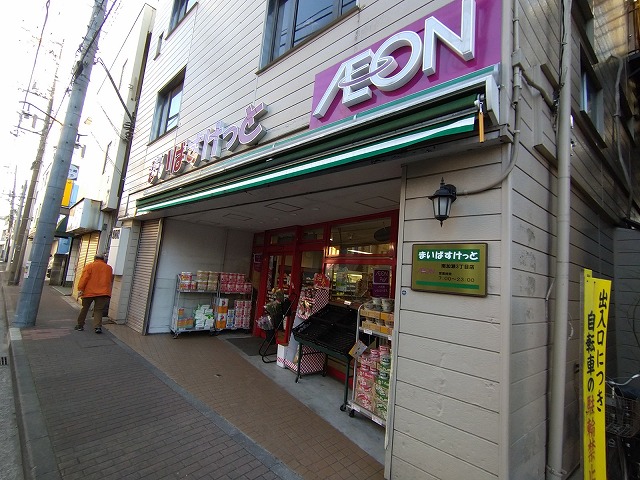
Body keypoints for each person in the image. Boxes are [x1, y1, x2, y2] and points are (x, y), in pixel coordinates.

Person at [74, 253, 114, 334]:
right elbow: (110, 280)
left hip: (89, 292)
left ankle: (80, 325)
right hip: (103, 292)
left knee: (85, 308)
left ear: (94, 258)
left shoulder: (89, 266)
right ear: (103, 259)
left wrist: (80, 289)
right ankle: (97, 327)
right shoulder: (109, 268)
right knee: (98, 310)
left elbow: (84, 278)